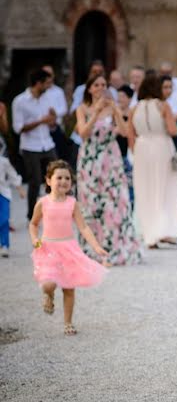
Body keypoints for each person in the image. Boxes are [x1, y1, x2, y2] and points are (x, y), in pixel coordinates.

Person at [29, 160, 108, 336]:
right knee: (49, 284)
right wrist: (35, 239)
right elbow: (33, 224)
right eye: (59, 177)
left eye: (67, 178)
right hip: (48, 248)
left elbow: (83, 227)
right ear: (48, 180)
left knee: (69, 287)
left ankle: (68, 323)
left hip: (68, 249)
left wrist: (96, 246)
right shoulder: (43, 203)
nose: (63, 181)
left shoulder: (72, 203)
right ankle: (48, 295)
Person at [74, 73, 142, 266]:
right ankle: (93, 248)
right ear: (89, 88)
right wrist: (95, 113)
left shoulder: (112, 108)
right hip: (90, 159)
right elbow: (83, 133)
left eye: (103, 84)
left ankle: (113, 246)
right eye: (96, 85)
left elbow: (124, 131)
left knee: (115, 200)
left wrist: (116, 111)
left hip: (110, 159)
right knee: (91, 203)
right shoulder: (82, 109)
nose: (101, 88)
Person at [130, 73, 177, 250]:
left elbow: (130, 134)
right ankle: (164, 230)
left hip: (141, 148)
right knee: (165, 189)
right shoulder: (163, 106)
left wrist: (135, 151)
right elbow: (174, 130)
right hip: (161, 146)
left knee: (145, 190)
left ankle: (149, 234)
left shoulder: (134, 108)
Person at [12, 69, 56, 219]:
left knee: (56, 177)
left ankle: (55, 210)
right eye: (47, 84)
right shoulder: (20, 101)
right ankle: (32, 216)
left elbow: (51, 124)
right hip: (30, 146)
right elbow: (18, 128)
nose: (49, 87)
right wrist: (40, 121)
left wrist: (52, 120)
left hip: (47, 143)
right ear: (38, 84)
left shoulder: (47, 98)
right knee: (35, 182)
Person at [0, 153, 25, 257]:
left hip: (3, 193)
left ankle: (5, 245)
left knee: (4, 219)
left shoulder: (3, 161)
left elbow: (13, 174)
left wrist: (20, 189)